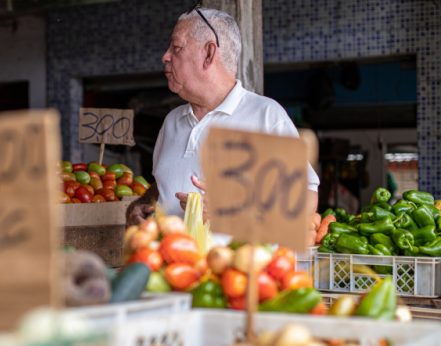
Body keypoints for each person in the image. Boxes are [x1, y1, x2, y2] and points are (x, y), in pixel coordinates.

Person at [126, 6, 320, 243]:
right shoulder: (172, 121)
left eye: (176, 48)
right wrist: (146, 201)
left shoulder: (265, 116)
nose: (165, 56)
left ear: (209, 54)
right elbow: (167, 181)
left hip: (233, 276)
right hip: (171, 272)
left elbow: (305, 202)